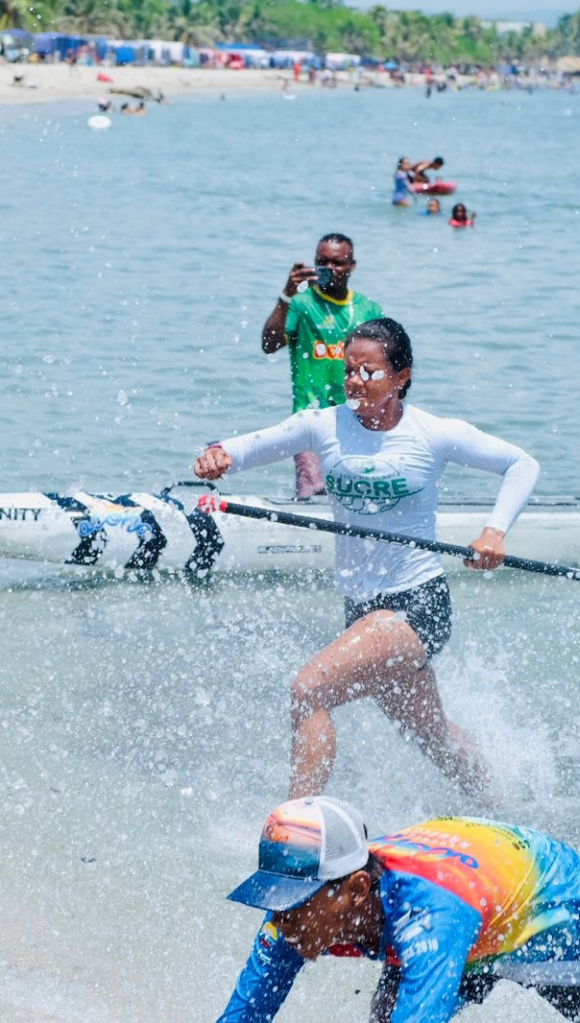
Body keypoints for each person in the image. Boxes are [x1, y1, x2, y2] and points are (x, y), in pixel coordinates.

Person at [197, 319, 539, 798]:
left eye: (369, 372)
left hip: (416, 606)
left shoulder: (433, 433)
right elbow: (247, 447)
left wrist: (493, 532)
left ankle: (297, 824)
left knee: (309, 691)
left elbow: (521, 464)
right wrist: (218, 456)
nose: (355, 381)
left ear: (401, 376)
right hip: (361, 609)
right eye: (349, 370)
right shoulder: (323, 425)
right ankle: (501, 803)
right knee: (433, 736)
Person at [219, 796, 580, 1023]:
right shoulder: (299, 918)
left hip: (549, 905)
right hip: (472, 893)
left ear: (354, 891)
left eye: (293, 903)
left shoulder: (432, 921)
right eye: (273, 899)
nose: (280, 918)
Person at [257, 234, 384, 498]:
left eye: (337, 263)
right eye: (322, 262)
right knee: (313, 491)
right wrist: (286, 295)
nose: (329, 268)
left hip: (357, 418)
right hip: (310, 417)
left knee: (359, 495)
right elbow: (269, 344)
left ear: (351, 266)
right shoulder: (301, 304)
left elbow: (385, 367)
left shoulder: (368, 309)